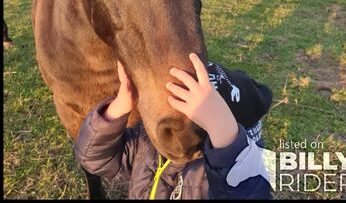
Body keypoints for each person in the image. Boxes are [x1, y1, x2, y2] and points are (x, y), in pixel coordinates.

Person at [74, 53, 272, 199]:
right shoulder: (148, 145)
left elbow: (249, 192)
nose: (176, 122)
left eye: (199, 118)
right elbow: (92, 158)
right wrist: (119, 106)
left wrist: (225, 136)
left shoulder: (218, 176)